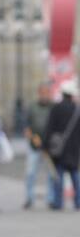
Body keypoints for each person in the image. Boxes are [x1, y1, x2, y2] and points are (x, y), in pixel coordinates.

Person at [44, 79, 80, 210]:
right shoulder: (77, 109)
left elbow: (49, 128)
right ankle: (78, 201)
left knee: (58, 176)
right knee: (75, 175)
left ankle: (58, 202)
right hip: (74, 148)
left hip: (58, 149)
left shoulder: (56, 108)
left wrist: (45, 145)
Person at [23, 83, 55, 209]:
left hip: (49, 146)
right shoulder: (32, 107)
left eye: (46, 93)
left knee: (51, 174)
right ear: (39, 93)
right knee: (30, 172)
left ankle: (51, 198)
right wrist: (31, 137)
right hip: (34, 145)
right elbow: (27, 126)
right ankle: (29, 198)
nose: (44, 95)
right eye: (42, 93)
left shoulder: (53, 107)